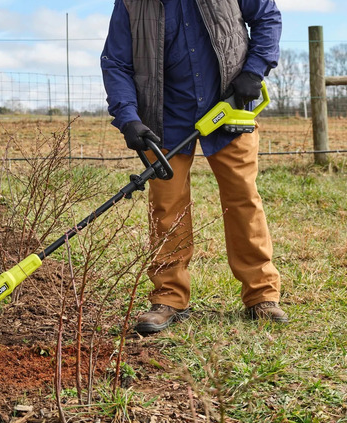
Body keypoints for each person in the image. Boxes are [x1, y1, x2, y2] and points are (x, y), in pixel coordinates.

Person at [101, 0, 287, 334]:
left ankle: (261, 295)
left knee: (243, 198)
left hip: (228, 108)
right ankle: (169, 298)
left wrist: (252, 72)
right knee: (166, 206)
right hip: (164, 119)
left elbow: (267, 17)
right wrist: (128, 117)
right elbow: (116, 62)